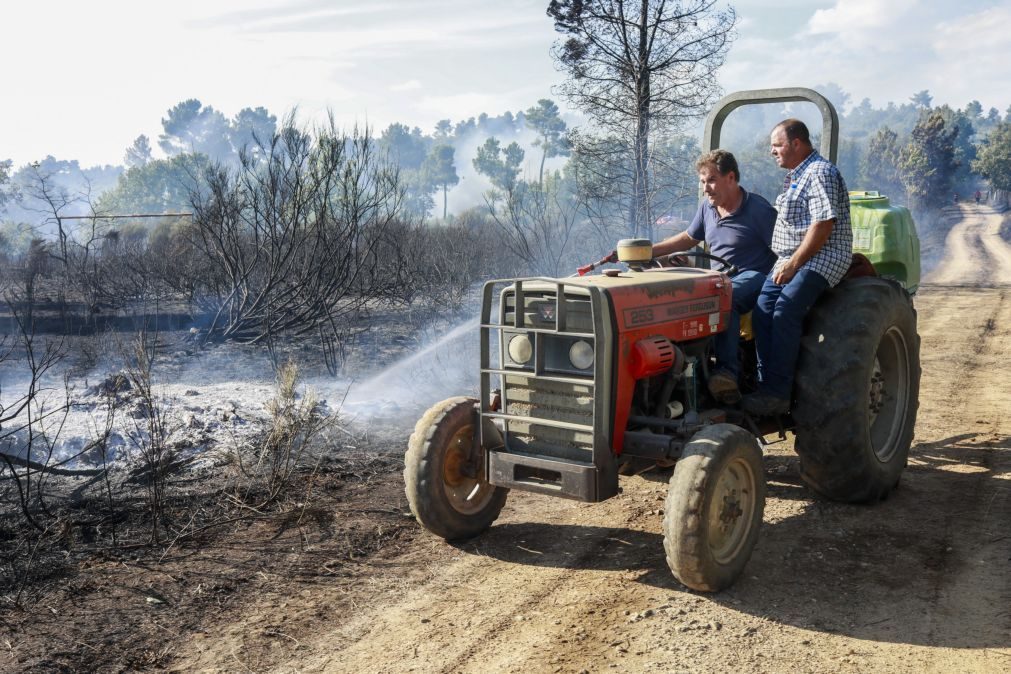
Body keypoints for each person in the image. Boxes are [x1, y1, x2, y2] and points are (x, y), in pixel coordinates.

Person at [743, 119, 853, 416]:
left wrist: (793, 264)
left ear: (796, 144)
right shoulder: (797, 174)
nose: (772, 151)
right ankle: (766, 384)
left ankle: (779, 392)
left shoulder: (820, 172)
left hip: (824, 254)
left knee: (785, 309)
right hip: (791, 257)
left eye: (777, 145)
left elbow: (823, 225)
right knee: (762, 309)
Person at [652, 149, 777, 404]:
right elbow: (689, 238)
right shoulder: (708, 208)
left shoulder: (758, 210)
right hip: (718, 276)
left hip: (756, 276)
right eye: (702, 182)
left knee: (724, 296)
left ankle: (726, 373)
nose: (706, 189)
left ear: (731, 177)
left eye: (711, 180)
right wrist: (650, 251)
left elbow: (784, 250)